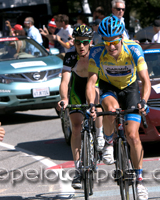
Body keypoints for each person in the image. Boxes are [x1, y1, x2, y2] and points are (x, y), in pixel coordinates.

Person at [86, 15, 151, 200]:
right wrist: (92, 104)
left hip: (130, 89)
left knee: (133, 136)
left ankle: (139, 180)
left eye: (114, 42)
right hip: (109, 88)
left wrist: (144, 101)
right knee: (111, 110)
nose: (111, 47)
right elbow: (91, 82)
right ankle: (108, 142)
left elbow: (145, 80)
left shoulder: (134, 49)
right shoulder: (97, 52)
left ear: (121, 37)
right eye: (106, 42)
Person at [56, 25, 105, 189]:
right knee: (76, 127)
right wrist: (64, 99)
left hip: (94, 82)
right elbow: (65, 80)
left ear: (90, 42)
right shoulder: (70, 55)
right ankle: (78, 170)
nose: (81, 46)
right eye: (78, 43)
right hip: (77, 85)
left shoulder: (96, 52)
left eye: (84, 42)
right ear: (74, 42)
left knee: (96, 101)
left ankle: (99, 136)